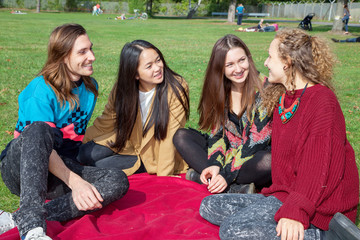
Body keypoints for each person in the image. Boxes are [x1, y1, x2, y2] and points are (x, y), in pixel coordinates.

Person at [199, 28, 359, 240]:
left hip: (321, 207)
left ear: (287, 62)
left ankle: (328, 235)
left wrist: (296, 212)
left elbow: (317, 166)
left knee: (232, 230)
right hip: (286, 195)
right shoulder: (284, 98)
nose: (264, 63)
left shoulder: (321, 101)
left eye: (270, 56)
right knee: (209, 206)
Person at [0, 24, 129, 240]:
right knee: (40, 129)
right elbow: (34, 142)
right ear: (62, 57)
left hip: (59, 167)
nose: (92, 57)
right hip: (23, 167)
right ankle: (32, 229)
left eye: (91, 49)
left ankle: (16, 219)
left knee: (117, 181)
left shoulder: (89, 88)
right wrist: (75, 182)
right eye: (82, 52)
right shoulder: (39, 91)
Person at [173, 34, 272, 194]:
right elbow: (217, 135)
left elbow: (256, 142)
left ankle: (211, 180)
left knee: (269, 162)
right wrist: (215, 165)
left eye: (242, 60)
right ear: (220, 67)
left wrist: (225, 175)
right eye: (230, 65)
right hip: (228, 152)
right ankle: (227, 185)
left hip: (251, 156)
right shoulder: (220, 91)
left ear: (249, 58)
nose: (238, 69)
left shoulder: (265, 89)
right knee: (181, 136)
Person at [77, 40, 190, 177]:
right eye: (149, 66)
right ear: (135, 74)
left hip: (152, 153)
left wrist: (164, 175)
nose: (157, 68)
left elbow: (170, 134)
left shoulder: (176, 88)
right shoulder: (122, 88)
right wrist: (79, 140)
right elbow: (106, 121)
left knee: (98, 167)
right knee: (82, 154)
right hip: (127, 143)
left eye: (158, 60)